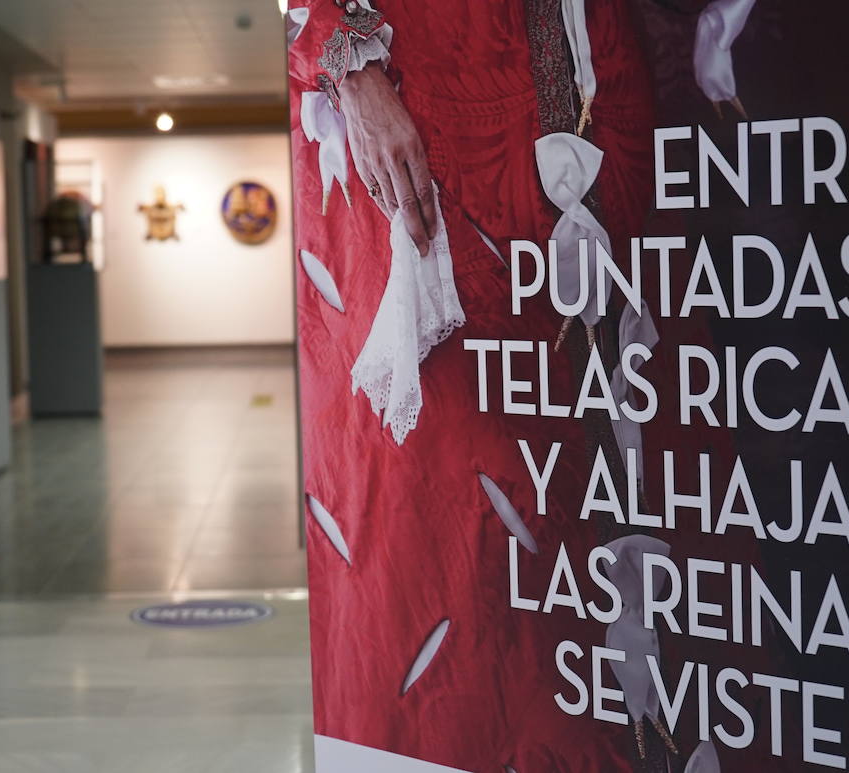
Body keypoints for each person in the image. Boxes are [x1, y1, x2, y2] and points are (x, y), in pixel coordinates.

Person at [286, 1, 728, 770]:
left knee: (649, 471)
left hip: (612, 98)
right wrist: (353, 73)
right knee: (461, 540)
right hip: (432, 105)